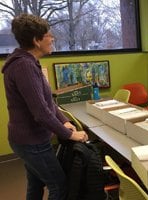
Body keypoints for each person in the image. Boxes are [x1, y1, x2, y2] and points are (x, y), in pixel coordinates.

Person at [1, 14, 89, 200]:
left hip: (29, 140)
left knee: (36, 183)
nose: (53, 38)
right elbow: (41, 113)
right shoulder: (24, 66)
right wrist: (71, 135)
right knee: (59, 186)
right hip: (31, 142)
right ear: (36, 40)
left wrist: (64, 122)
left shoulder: (28, 62)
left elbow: (47, 101)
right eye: (49, 35)